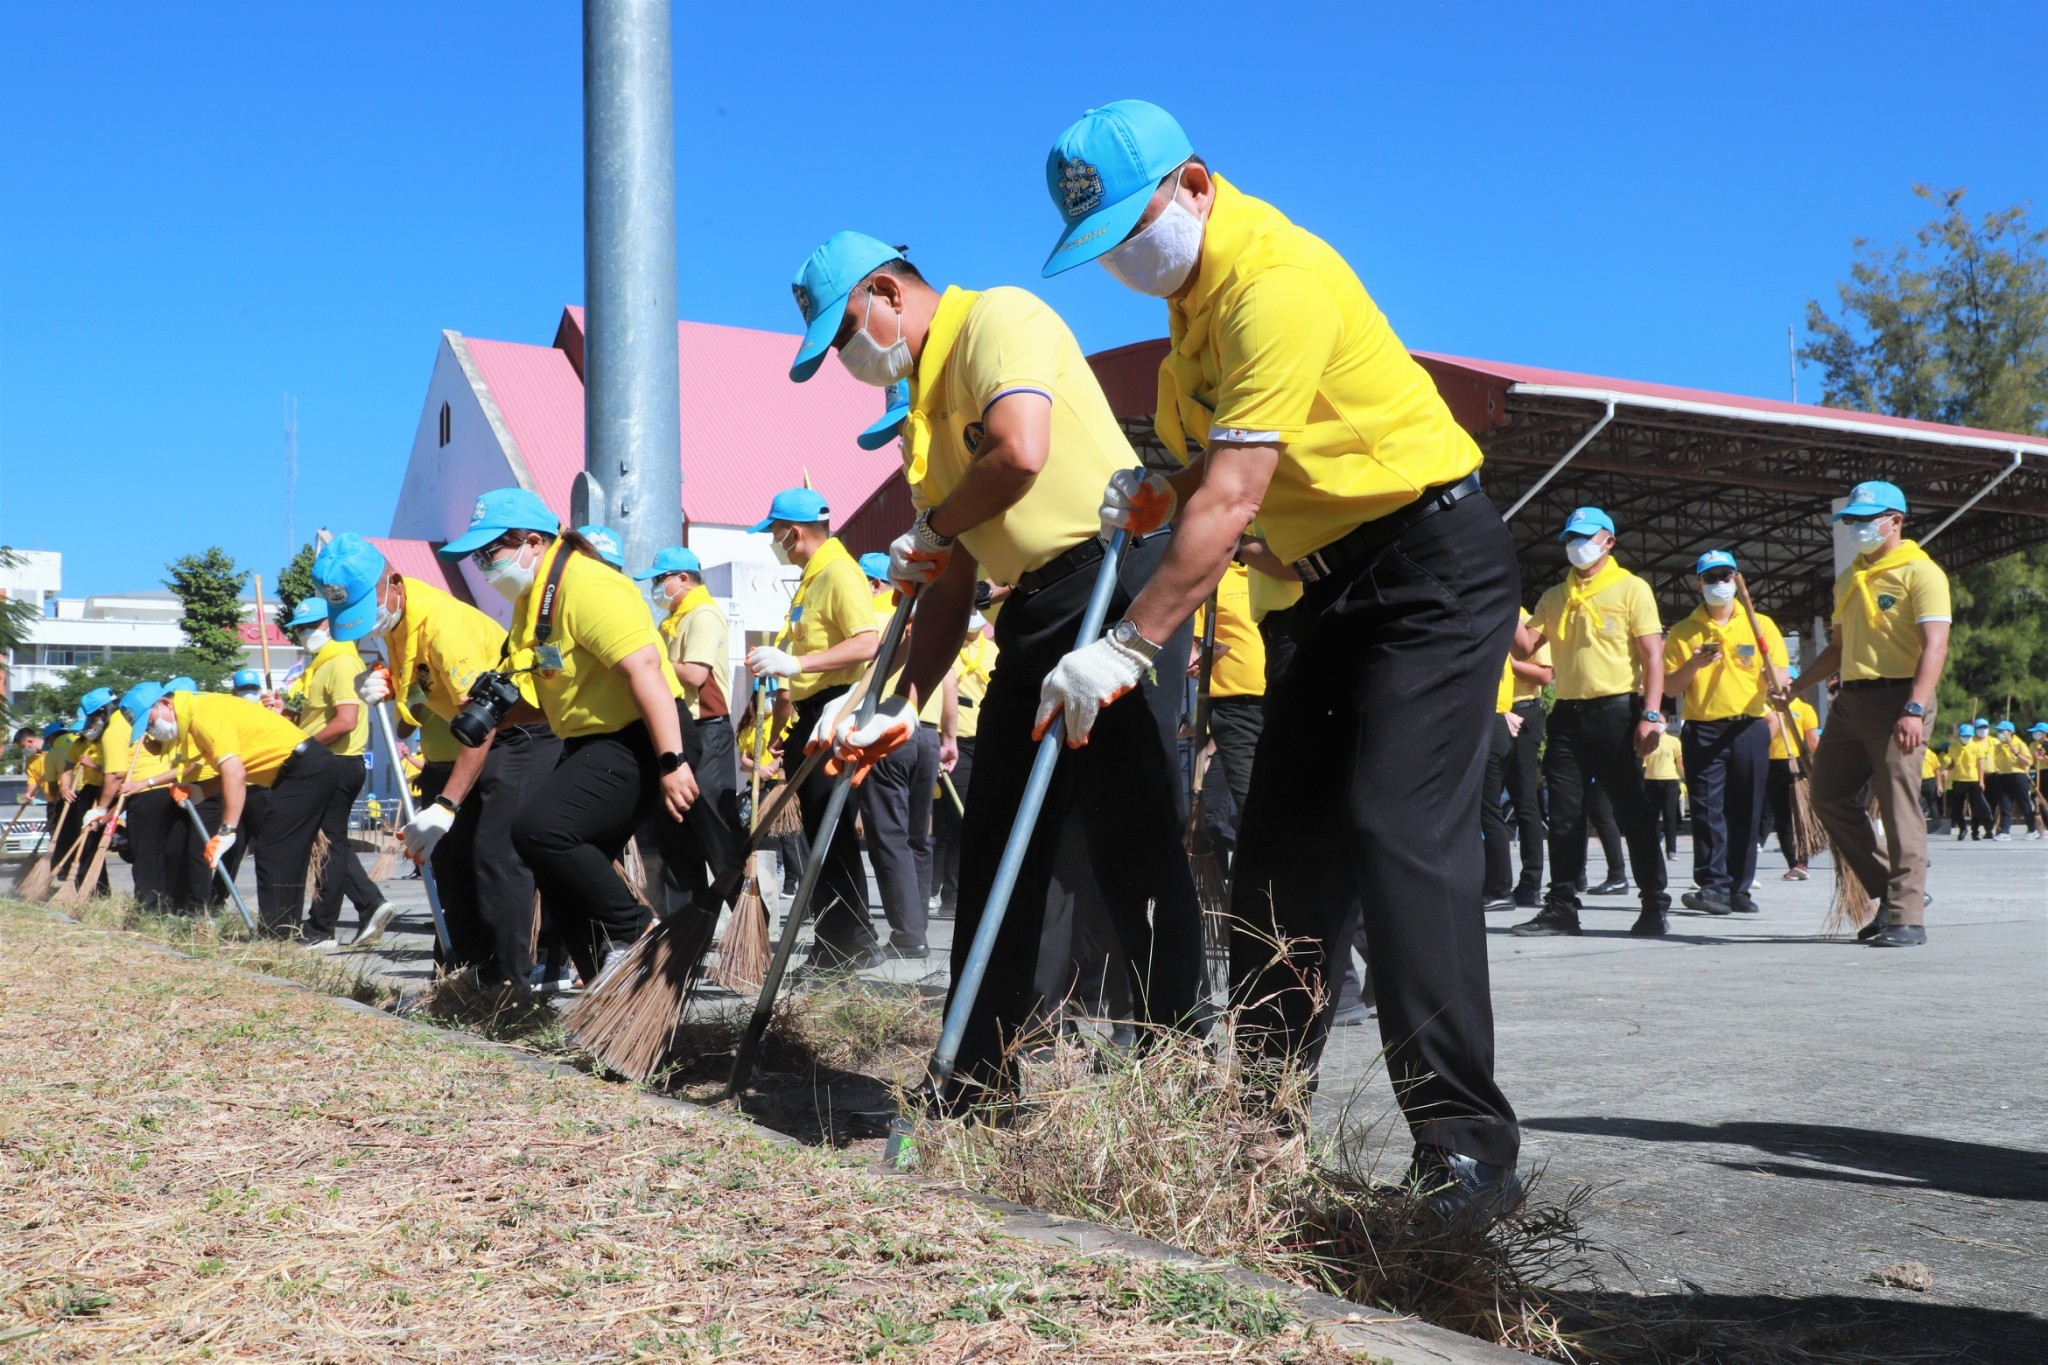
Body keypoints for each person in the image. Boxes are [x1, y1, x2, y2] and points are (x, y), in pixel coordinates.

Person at [1037, 100, 1520, 1211]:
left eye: (1129, 225)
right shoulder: (1188, 320)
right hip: (1326, 588)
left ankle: (1463, 1151)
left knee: (1399, 831)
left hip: (1429, 567)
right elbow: (1205, 476)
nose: (1121, 256)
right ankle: (1251, 1132)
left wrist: (1125, 645)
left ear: (1194, 183)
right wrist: (1155, 490)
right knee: (1277, 863)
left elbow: (1235, 495)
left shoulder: (1274, 279)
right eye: (1099, 244)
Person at [787, 225, 1201, 1100]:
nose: (848, 359)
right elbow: (954, 579)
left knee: (1134, 837)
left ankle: (1181, 1059)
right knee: (998, 839)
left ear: (889, 293)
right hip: (1036, 608)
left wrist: (933, 527)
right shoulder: (922, 419)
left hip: (1113, 579)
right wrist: (900, 698)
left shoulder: (995, 322)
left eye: (846, 331)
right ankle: (979, 1069)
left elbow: (1020, 451)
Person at [441, 490, 742, 982]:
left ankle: (640, 932)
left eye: (487, 552)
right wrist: (494, 715)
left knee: (540, 829)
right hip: (595, 740)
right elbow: (553, 698)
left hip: (643, 734)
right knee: (552, 867)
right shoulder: (532, 603)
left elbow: (645, 668)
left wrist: (670, 762)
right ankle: (606, 982)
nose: (481, 565)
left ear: (532, 542)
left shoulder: (587, 584)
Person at [313, 531, 559, 983]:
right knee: (449, 863)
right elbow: (417, 706)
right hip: (468, 742)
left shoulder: (446, 628)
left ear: (394, 582)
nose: (366, 623)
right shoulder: (399, 624)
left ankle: (506, 985)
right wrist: (384, 680)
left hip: (519, 735)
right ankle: (456, 978)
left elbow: (482, 723)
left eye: (366, 608)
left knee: (495, 858)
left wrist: (446, 806)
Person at [1779, 481, 1950, 948]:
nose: (1856, 528)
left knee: (1899, 808)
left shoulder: (1921, 572)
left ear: (1896, 520)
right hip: (1851, 701)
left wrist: (1915, 707)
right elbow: (1837, 649)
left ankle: (1907, 917)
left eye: (1866, 519)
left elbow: (1936, 644)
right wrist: (1797, 685)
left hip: (1900, 699)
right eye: (1850, 520)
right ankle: (1893, 890)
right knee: (1828, 797)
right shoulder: (1849, 578)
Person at [741, 486, 884, 970]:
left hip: (835, 710)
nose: (773, 541)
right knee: (824, 832)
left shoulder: (839, 573)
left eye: (775, 533)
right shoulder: (812, 576)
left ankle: (845, 943)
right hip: (810, 714)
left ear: (794, 531)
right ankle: (843, 937)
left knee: (830, 832)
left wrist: (795, 661)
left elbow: (868, 643)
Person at [1514, 507, 1670, 938]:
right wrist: (1506, 599)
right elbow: (1527, 646)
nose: (1575, 545)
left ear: (1609, 541)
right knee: (1564, 815)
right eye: (1569, 537)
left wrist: (1651, 713)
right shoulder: (1554, 597)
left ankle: (1654, 903)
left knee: (1631, 813)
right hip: (1566, 715)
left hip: (1617, 714)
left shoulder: (1630, 589)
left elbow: (1652, 655)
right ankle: (1561, 906)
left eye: (1584, 536)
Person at [119, 678, 350, 939]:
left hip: (305, 768)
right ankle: (306, 931)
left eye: (149, 722)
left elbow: (235, 772)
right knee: (302, 848)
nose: (152, 731)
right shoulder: (196, 714)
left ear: (164, 703)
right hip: (305, 767)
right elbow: (237, 766)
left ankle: (279, 934)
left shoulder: (202, 714)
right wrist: (202, 791)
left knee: (276, 849)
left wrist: (227, 830)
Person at [1661, 551, 1788, 915]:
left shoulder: (1759, 623)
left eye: (1725, 575)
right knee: (1706, 809)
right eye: (1710, 577)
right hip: (1703, 729)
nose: (1718, 583)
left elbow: (1781, 673)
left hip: (1749, 726)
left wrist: (1775, 679)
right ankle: (1712, 885)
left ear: (1736, 579)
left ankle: (1738, 888)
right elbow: (1670, 687)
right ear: (1698, 583)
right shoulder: (1685, 631)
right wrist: (1693, 664)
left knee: (1746, 810)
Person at [283, 596, 394, 947]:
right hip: (326, 761)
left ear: (329, 624)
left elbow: (346, 721)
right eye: (298, 628)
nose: (302, 634)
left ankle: (322, 929)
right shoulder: (320, 664)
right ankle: (367, 904)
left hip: (336, 762)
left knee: (328, 846)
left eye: (307, 626)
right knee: (329, 844)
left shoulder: (342, 662)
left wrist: (302, 747)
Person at [635, 545, 740, 904]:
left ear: (683, 578)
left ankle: (746, 912)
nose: (655, 587)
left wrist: (651, 666)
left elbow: (694, 674)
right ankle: (686, 931)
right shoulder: (673, 621)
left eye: (659, 579)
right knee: (677, 829)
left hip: (708, 729)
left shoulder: (703, 615)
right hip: (678, 730)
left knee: (717, 828)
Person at [850, 550, 938, 958]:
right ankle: (915, 924)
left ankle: (908, 932)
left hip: (889, 731)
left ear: (876, 583)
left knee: (890, 838)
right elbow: (948, 680)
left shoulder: (882, 617)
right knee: (917, 838)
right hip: (927, 733)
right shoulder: (930, 612)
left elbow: (869, 674)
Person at [928, 613, 995, 917]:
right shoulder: (944, 649)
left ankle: (951, 892)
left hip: (985, 741)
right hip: (951, 744)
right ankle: (941, 891)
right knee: (949, 820)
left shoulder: (994, 653)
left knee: (963, 821)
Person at [1504, 610, 1553, 907]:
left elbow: (1546, 675)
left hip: (1523, 711)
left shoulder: (1527, 621)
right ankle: (1495, 881)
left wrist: (1510, 663)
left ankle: (1531, 881)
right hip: (1492, 715)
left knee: (1524, 799)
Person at [1766, 683, 1820, 878]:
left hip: (1795, 764)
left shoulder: (1804, 708)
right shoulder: (1766, 707)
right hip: (1769, 764)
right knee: (1781, 818)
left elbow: (1813, 741)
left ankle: (1802, 862)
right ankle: (1794, 862)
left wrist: (1822, 768)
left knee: (1800, 816)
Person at [1986, 720, 2039, 840]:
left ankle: (2032, 829)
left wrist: (2016, 753)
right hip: (2003, 775)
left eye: (2001, 731)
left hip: (2018, 775)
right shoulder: (1998, 746)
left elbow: (2028, 762)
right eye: (1998, 731)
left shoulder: (2019, 744)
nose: (1999, 733)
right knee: (2005, 804)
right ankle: (2005, 831)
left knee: (2023, 803)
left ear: (2010, 732)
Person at [1640, 727, 1684, 864]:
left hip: (1670, 781)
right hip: (1651, 781)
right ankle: (1652, 847)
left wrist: (1684, 780)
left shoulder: (1673, 741)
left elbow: (1680, 763)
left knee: (1670, 817)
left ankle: (1671, 850)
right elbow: (1643, 764)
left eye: (1661, 721)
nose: (1658, 724)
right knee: (1651, 817)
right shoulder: (1647, 742)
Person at [1946, 722, 1993, 840]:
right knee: (1957, 807)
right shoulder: (1953, 747)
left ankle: (1975, 831)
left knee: (1976, 807)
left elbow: (1980, 765)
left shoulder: (1977, 746)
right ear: (1959, 736)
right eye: (1964, 736)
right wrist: (1947, 770)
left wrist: (1981, 781)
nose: (1967, 738)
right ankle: (1962, 828)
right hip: (1958, 779)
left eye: (1969, 736)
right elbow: (1952, 762)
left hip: (1973, 780)